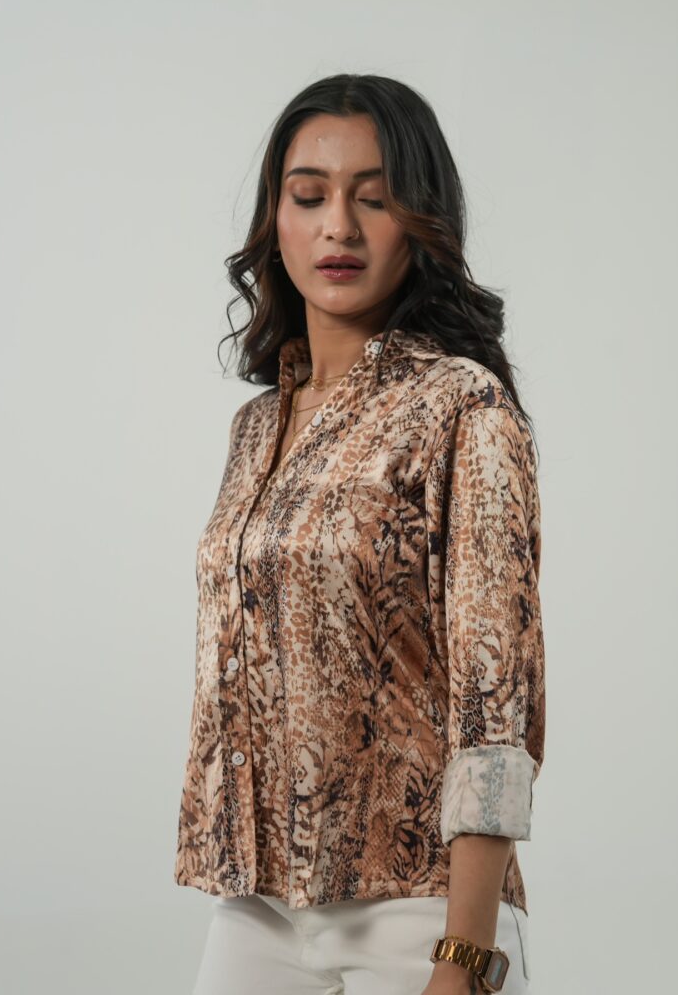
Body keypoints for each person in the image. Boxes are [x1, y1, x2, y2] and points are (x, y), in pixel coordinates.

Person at [175, 73, 546, 995]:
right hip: (257, 904)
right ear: (276, 221)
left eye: (373, 199)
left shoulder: (463, 407)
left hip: (419, 908)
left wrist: (466, 958)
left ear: (420, 223)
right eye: (309, 196)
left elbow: (493, 706)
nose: (337, 226)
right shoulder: (257, 428)